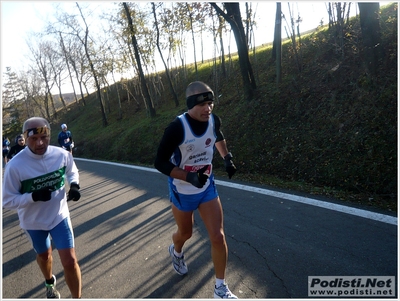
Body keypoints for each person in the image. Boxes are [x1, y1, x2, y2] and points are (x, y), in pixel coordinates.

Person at [154, 81, 238, 299]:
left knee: (218, 237)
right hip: (182, 189)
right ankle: (177, 251)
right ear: (191, 104)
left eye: (211, 103)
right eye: (203, 104)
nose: (208, 109)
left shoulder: (213, 120)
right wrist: (189, 176)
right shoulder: (177, 128)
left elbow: (217, 135)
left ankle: (220, 287)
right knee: (186, 233)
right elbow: (160, 162)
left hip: (207, 186)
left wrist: (227, 158)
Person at [2, 117, 82, 299]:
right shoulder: (15, 166)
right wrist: (33, 197)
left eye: (44, 137)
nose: (40, 143)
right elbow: (7, 200)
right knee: (45, 256)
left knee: (70, 261)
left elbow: (71, 170)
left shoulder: (61, 154)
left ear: (49, 135)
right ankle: (49, 282)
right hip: (33, 222)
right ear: (25, 138)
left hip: (59, 215)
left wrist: (75, 185)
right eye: (33, 139)